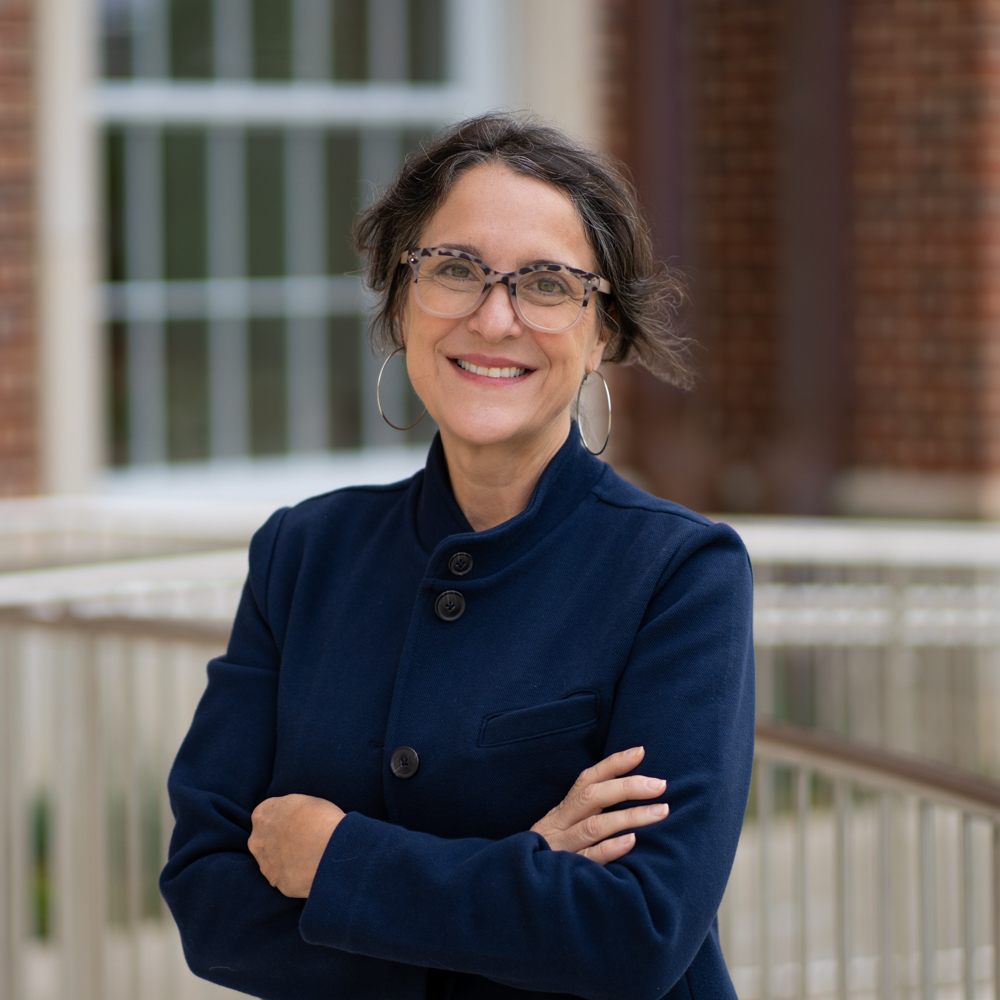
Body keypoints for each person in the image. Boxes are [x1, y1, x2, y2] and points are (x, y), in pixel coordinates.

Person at [160, 113, 754, 1000]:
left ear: (603, 334)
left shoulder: (678, 573)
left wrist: (337, 861)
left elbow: (638, 931)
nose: (495, 316)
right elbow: (213, 909)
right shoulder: (302, 554)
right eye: (454, 270)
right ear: (400, 305)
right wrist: (530, 868)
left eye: (548, 284)